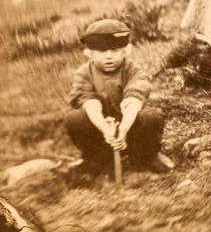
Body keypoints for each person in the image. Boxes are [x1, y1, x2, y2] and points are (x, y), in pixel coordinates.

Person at [65, 19, 170, 179]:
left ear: (125, 51)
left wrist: (124, 129)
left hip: (130, 129)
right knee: (73, 119)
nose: (108, 56)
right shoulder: (83, 73)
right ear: (90, 54)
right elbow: (89, 103)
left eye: (114, 50)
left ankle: (146, 157)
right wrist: (104, 129)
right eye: (101, 51)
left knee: (152, 117)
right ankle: (96, 159)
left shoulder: (133, 69)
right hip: (100, 130)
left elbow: (134, 99)